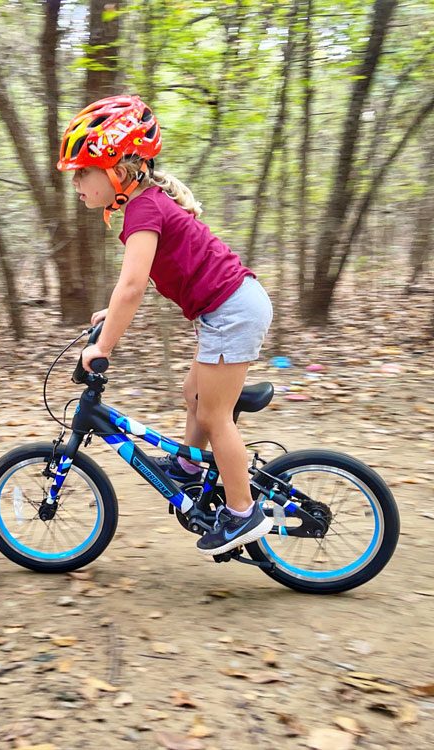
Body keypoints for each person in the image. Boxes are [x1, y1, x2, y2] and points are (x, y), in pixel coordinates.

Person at [56, 94, 275, 556]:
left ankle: (242, 512)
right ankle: (190, 468)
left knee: (215, 415)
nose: (76, 183)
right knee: (192, 395)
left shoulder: (143, 210)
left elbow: (133, 285)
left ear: (118, 169)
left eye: (83, 171)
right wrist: (108, 315)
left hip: (233, 310)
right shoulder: (146, 205)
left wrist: (103, 348)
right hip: (229, 307)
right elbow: (153, 277)